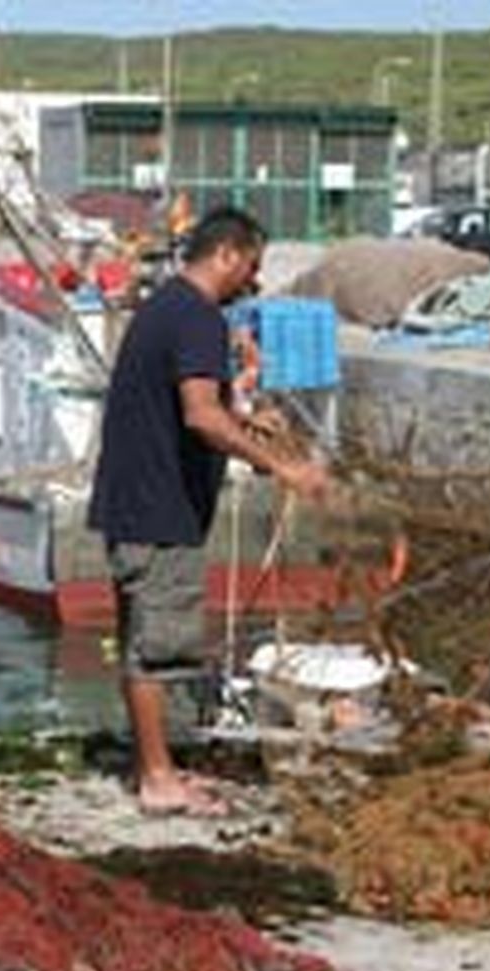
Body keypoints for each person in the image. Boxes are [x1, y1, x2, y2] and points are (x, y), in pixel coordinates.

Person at [88, 206, 329, 817]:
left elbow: (186, 409)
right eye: (251, 266)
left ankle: (154, 764)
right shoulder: (197, 317)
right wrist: (285, 467)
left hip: (135, 500)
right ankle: (159, 779)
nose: (253, 281)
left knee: (142, 636)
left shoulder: (168, 306)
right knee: (156, 645)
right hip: (157, 506)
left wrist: (246, 424)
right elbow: (199, 415)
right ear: (225, 254)